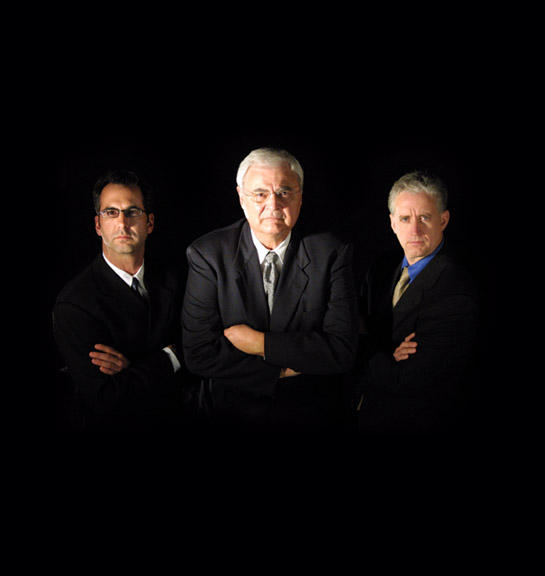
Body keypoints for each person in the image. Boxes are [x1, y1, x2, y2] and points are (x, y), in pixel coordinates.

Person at [181, 147, 359, 438]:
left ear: (300, 196)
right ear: (241, 198)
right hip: (232, 414)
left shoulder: (331, 252)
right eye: (260, 194)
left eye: (285, 191)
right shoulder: (207, 254)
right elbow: (199, 354)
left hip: (310, 415)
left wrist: (259, 343)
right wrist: (280, 371)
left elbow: (341, 351)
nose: (273, 204)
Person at [53, 169, 190, 434]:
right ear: (97, 224)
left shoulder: (180, 278)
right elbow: (107, 398)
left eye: (132, 211)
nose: (123, 223)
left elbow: (206, 354)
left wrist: (134, 369)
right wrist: (173, 355)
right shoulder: (74, 304)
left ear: (149, 223)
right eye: (111, 212)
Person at [354, 170, 479, 437]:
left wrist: (356, 344)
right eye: (405, 218)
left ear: (443, 220)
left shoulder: (456, 293)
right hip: (360, 414)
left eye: (425, 217)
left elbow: (401, 379)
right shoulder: (381, 267)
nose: (415, 230)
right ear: (392, 223)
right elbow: (355, 323)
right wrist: (382, 351)